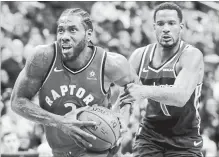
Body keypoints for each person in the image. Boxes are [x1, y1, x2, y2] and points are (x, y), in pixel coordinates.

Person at [11, 8, 138, 157]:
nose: (64, 36)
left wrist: (122, 116)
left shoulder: (110, 63)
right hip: (60, 152)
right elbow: (17, 101)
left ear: (88, 34)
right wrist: (60, 122)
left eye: (72, 30)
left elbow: (133, 87)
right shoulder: (43, 58)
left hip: (99, 152)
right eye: (60, 30)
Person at [120, 2, 204, 157]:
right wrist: (121, 124)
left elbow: (180, 96)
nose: (166, 28)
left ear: (181, 27)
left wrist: (144, 90)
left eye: (171, 23)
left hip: (185, 140)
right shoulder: (139, 56)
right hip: (149, 136)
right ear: (154, 27)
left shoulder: (191, 55)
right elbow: (125, 98)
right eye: (160, 24)